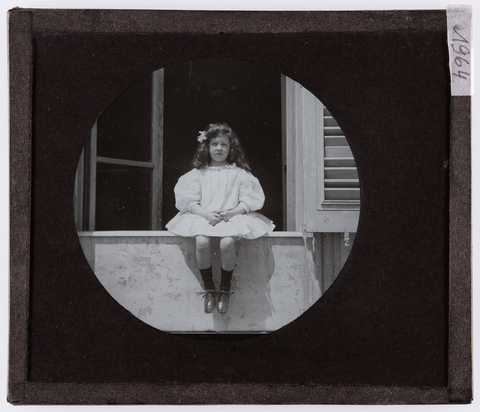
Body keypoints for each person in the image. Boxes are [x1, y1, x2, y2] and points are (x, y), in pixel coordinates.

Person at [166, 123, 275, 315]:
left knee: (226, 243)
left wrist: (233, 212)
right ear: (206, 147)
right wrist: (206, 214)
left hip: (230, 217)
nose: (218, 149)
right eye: (214, 144)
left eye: (224, 145)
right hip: (204, 216)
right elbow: (188, 201)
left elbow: (250, 200)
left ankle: (224, 290)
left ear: (231, 148)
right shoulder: (198, 174)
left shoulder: (239, 173)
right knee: (201, 241)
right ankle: (209, 289)